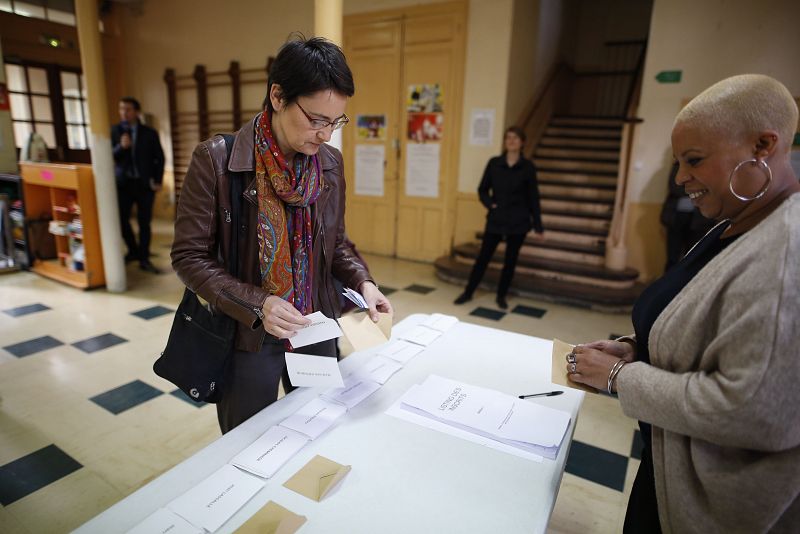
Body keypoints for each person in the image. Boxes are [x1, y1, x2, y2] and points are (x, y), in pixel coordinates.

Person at [566, 74, 800, 532]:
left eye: (694, 160)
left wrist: (619, 377)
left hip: (714, 507)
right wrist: (639, 347)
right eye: (678, 162)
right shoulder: (733, 221)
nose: (680, 178)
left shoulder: (786, 254)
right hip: (669, 470)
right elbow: (708, 326)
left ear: (763, 146)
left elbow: (752, 413)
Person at [171, 36, 393, 434]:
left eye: (335, 121)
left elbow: (336, 242)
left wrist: (365, 283)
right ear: (277, 96)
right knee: (248, 441)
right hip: (249, 334)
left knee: (319, 428)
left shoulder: (328, 164)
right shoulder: (218, 160)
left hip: (315, 323)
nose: (325, 134)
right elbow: (189, 257)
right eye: (316, 119)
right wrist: (260, 304)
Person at [454, 126, 544, 309]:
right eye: (508, 137)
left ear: (522, 142)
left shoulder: (528, 167)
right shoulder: (494, 163)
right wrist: (491, 204)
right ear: (505, 141)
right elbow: (482, 190)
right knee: (483, 259)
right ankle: (468, 292)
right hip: (496, 219)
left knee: (510, 262)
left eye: (516, 138)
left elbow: (533, 197)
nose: (511, 141)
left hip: (519, 222)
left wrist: (538, 225)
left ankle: (501, 296)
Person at [112, 96, 165, 274]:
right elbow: (110, 156)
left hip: (144, 185)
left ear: (136, 112)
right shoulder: (115, 131)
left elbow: (160, 157)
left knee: (144, 222)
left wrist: (157, 181)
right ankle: (132, 250)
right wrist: (121, 147)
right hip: (123, 184)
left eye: (127, 109)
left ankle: (144, 258)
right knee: (121, 220)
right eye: (121, 109)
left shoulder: (149, 133)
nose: (123, 113)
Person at [659, 161, 713, 269]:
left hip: (699, 219)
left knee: (691, 259)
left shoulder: (707, 165)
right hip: (676, 217)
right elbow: (674, 187)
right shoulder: (678, 165)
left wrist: (690, 187)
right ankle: (669, 285)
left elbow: (710, 188)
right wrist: (697, 189)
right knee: (672, 259)